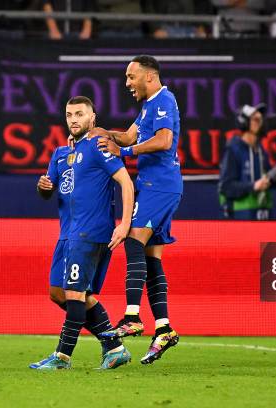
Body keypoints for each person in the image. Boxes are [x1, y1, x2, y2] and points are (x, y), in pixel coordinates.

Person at [30, 96, 135, 370]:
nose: (74, 119)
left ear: (92, 118)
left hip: (90, 232)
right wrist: (43, 186)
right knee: (59, 293)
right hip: (66, 234)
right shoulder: (59, 154)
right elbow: (47, 191)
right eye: (69, 114)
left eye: (79, 114)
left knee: (76, 294)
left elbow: (125, 181)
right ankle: (114, 347)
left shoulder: (99, 147)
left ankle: (62, 357)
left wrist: (124, 224)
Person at [89, 55, 182, 364]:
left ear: (149, 77)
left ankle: (132, 316)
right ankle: (164, 328)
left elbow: (165, 140)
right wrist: (105, 133)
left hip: (159, 185)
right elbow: (129, 135)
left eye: (131, 77)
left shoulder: (163, 100)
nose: (127, 83)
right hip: (156, 185)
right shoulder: (148, 107)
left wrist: (124, 151)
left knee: (131, 240)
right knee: (151, 257)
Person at [219, 103, 273, 220]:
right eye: (256, 120)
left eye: (261, 120)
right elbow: (226, 187)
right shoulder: (233, 149)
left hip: (262, 212)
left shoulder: (260, 150)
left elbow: (269, 177)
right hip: (240, 215)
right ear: (244, 122)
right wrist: (253, 186)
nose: (260, 123)